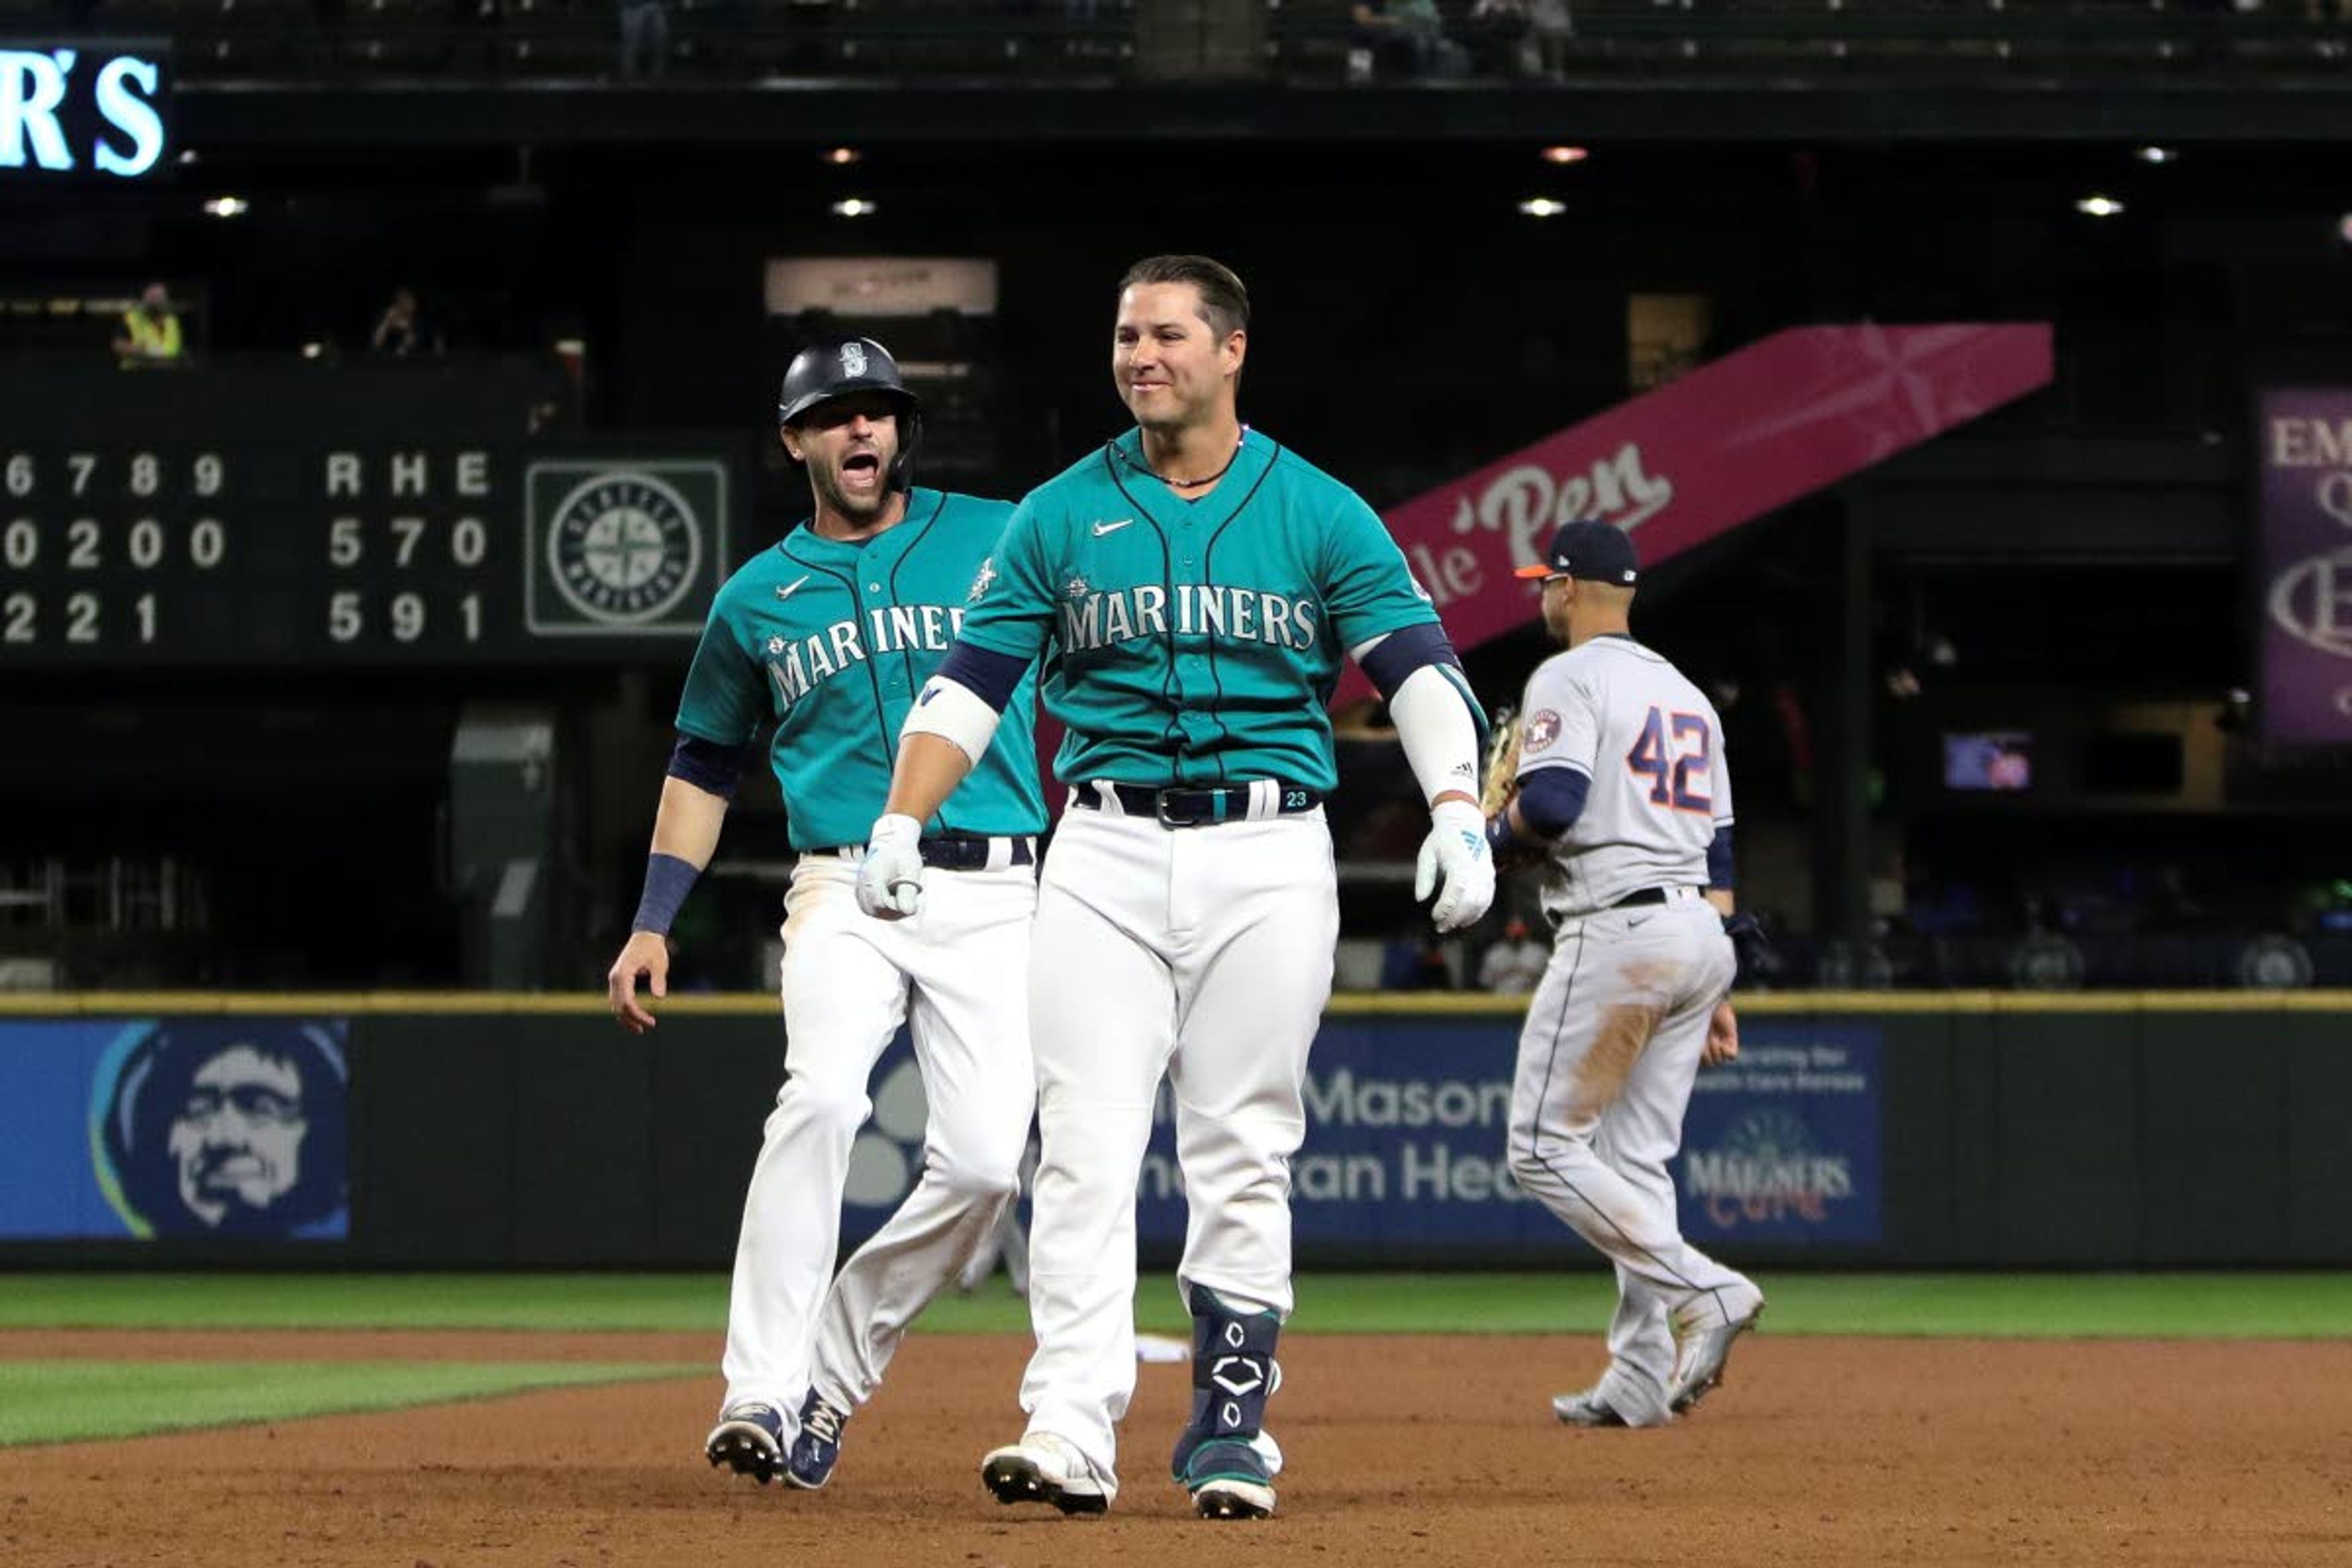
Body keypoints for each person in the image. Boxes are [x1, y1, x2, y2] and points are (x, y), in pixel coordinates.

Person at [853, 254, 1494, 1521]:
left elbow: (1417, 664)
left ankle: (1233, 1423)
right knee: (1084, 1147)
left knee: (1242, 1141)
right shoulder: (1057, 512)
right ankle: (1067, 1423)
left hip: (1269, 852)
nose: (1140, 354)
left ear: (1232, 348)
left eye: (1165, 333)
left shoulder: (1316, 508)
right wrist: (899, 813)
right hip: (1099, 850)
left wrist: (1461, 808)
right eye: (1125, 334)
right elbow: (970, 683)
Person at [603, 336, 1046, 1494]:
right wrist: (656, 917)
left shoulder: (998, 534)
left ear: (902, 431)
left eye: (880, 413)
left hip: (998, 885)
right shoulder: (757, 598)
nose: (863, 433)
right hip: (841, 883)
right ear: (795, 438)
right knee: (823, 1096)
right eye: (836, 415)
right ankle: (756, 1386)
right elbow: (702, 767)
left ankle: (833, 1368)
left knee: (990, 1166)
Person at [1483, 518, 1766, 1430]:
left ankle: (1703, 1287)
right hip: (1696, 933)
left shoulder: (1568, 674)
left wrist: (1482, 840)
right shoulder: (1688, 695)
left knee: (1539, 1147)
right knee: (1636, 1158)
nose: (1539, 597)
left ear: (1568, 588)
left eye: (1543, 583)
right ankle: (1642, 1379)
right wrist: (1715, 986)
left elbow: (1554, 807)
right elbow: (1720, 852)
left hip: (1620, 927)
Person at [111, 282, 183, 368]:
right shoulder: (131, 317)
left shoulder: (171, 320)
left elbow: (173, 350)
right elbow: (117, 345)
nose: (155, 300)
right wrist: (136, 350)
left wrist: (145, 351)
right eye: (152, 296)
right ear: (144, 296)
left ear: (166, 299)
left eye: (160, 296)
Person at [1476, 914, 1550, 993]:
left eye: (1519, 936)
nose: (1516, 939)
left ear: (1526, 933)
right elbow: (1486, 983)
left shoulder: (1539, 952)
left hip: (1530, 999)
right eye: (1514, 935)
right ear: (1507, 932)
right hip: (1501, 1001)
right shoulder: (1494, 953)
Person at [370, 288, 443, 356]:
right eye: (402, 302)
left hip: (419, 361)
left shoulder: (422, 320)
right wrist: (387, 321)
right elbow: (376, 344)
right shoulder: (387, 318)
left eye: (410, 301)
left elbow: (435, 340)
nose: (408, 305)